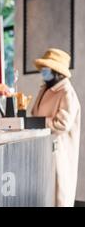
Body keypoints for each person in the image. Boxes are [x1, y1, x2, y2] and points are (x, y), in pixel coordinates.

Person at [31, 48, 81, 207]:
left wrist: (39, 122)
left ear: (57, 71)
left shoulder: (66, 92)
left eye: (47, 69)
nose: (43, 72)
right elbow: (35, 113)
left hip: (59, 150)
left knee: (59, 193)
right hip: (45, 148)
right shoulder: (45, 89)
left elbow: (62, 124)